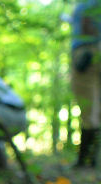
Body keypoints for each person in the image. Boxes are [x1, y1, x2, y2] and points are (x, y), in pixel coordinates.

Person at [70, 1, 101, 167]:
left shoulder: (87, 3)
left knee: (88, 107)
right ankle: (90, 159)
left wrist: (90, 47)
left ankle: (87, 160)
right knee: (96, 108)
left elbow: (88, 24)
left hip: (86, 52)